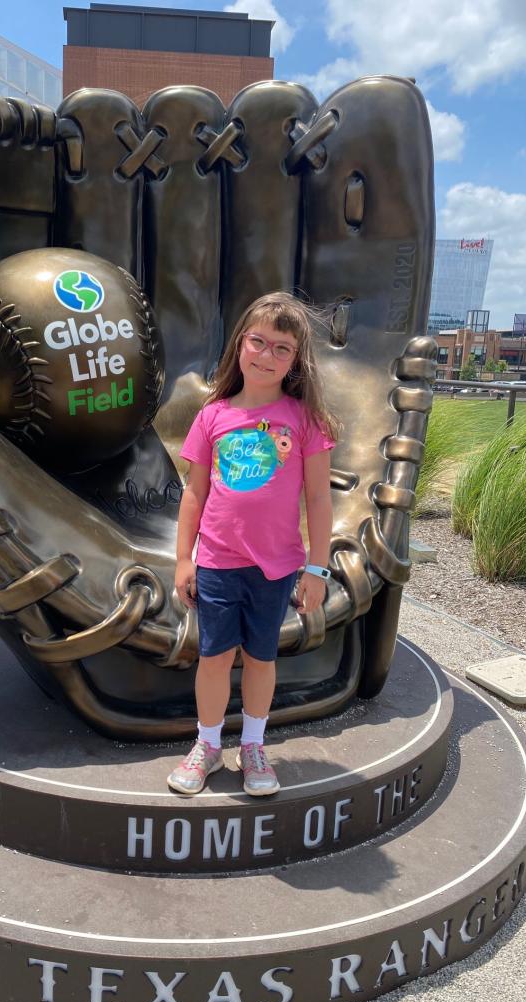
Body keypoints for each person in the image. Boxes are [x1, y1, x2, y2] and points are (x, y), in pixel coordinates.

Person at [168, 292, 338, 797]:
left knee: (262, 659)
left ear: (295, 361)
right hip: (218, 562)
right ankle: (208, 745)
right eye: (257, 341)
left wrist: (318, 569)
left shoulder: (305, 420)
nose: (265, 356)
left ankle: (254, 746)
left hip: (276, 568)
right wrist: (183, 559)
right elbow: (194, 493)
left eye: (281, 349)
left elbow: (318, 501)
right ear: (240, 343)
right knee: (214, 659)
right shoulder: (213, 415)